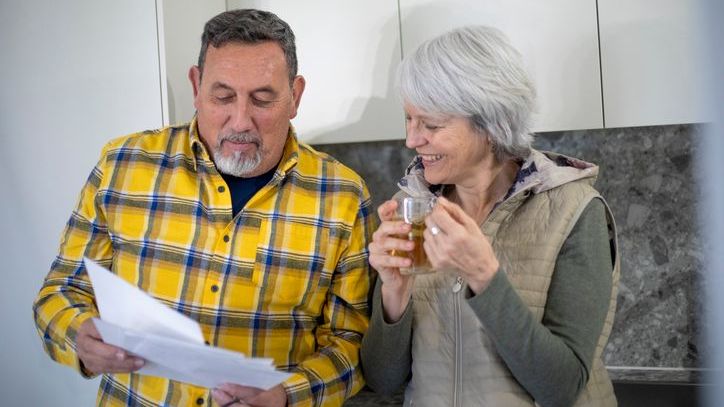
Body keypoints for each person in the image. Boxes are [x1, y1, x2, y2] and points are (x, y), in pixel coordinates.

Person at [33, 9, 374, 407]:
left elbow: (352, 344)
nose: (240, 120)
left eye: (263, 99)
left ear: (295, 96)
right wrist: (78, 334)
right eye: (223, 96)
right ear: (196, 86)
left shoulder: (343, 196)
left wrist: (287, 395)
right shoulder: (123, 165)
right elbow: (60, 292)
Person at [361, 26, 620, 407]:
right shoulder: (410, 208)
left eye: (431, 125)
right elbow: (383, 380)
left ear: (490, 124)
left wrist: (484, 276)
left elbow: (561, 387)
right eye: (409, 119)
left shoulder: (575, 210)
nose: (412, 140)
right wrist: (394, 292)